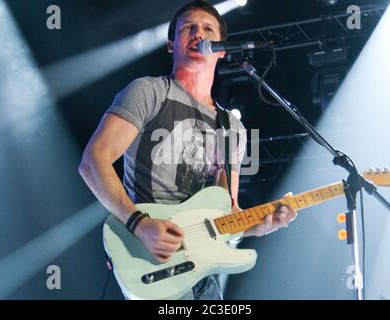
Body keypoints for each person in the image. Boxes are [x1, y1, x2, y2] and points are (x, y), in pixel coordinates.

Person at [78, 0, 297, 300]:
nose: (198, 33)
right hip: (153, 264)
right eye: (188, 28)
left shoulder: (232, 128)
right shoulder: (148, 92)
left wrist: (259, 226)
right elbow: (93, 162)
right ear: (171, 45)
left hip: (202, 275)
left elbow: (227, 212)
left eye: (208, 28)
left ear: (220, 49)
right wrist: (139, 224)